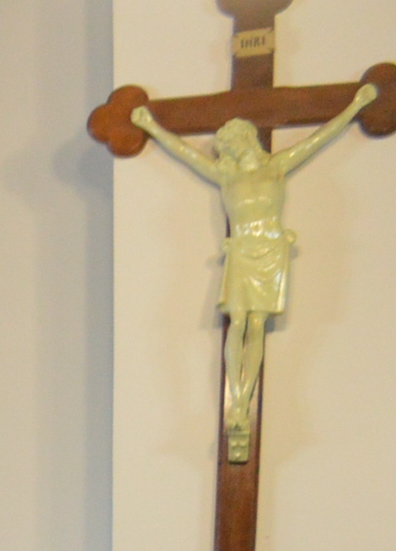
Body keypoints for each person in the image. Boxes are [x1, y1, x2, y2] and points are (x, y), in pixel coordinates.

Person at [131, 82, 377, 460]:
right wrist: (151, 126)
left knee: (257, 324)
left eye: (236, 139)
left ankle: (243, 401)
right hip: (242, 250)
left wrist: (354, 107)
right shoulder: (226, 176)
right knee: (238, 321)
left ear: (247, 139)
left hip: (272, 251)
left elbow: (319, 137)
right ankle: (239, 404)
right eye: (229, 143)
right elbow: (182, 152)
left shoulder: (276, 167)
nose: (233, 146)